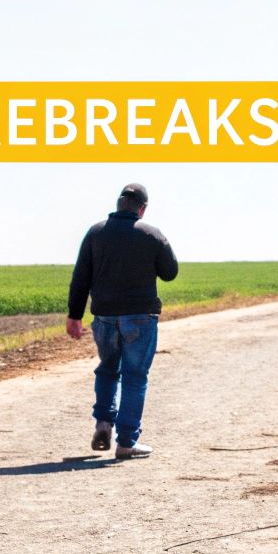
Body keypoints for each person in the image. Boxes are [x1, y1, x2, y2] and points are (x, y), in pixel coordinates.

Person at [66, 182, 179, 460]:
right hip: (140, 318)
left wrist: (74, 315)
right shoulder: (151, 234)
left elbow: (81, 277)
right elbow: (170, 273)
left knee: (107, 370)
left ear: (119, 205)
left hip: (103, 317)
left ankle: (103, 423)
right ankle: (126, 442)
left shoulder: (96, 233)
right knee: (134, 377)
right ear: (142, 208)